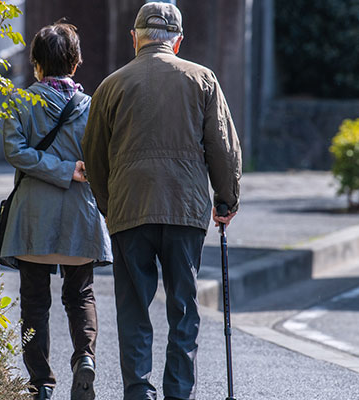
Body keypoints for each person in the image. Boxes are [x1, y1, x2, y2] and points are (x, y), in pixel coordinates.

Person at [81, 3, 242, 399]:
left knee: (133, 306)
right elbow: (223, 148)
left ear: (134, 38)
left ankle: (138, 391)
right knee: (183, 306)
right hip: (185, 209)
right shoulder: (202, 79)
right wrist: (226, 200)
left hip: (129, 208)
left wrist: (108, 203)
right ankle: (177, 392)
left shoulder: (111, 86)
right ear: (178, 41)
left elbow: (94, 155)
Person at [1, 22, 111, 400]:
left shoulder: (19, 102)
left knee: (33, 301)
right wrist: (72, 170)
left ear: (36, 63)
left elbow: (15, 152)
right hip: (80, 215)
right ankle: (85, 358)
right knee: (80, 295)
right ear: (76, 63)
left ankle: (41, 383)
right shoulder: (92, 107)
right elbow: (103, 158)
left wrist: (55, 169)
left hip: (33, 219)